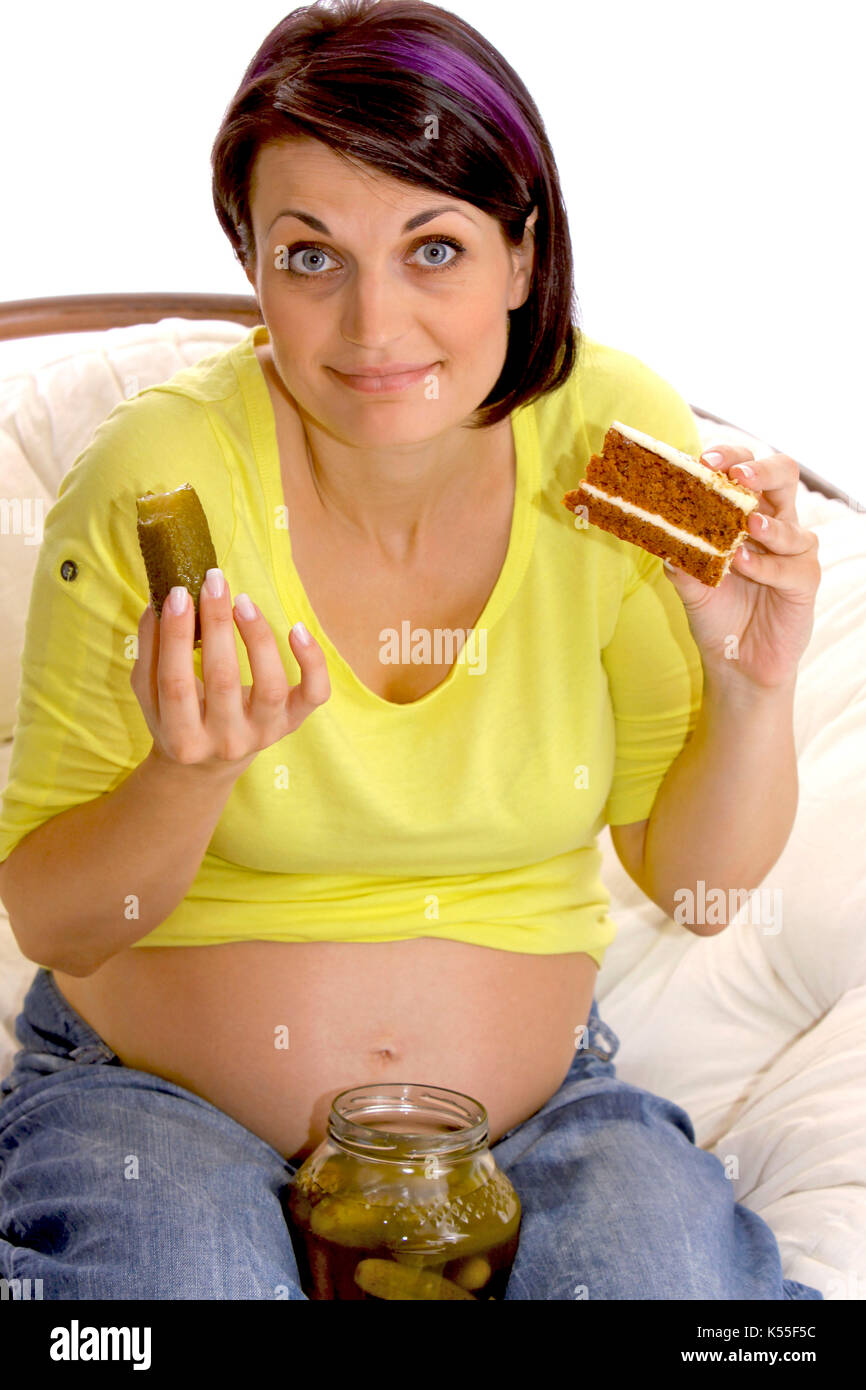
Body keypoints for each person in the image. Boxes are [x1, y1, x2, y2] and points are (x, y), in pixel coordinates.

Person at [0, 0, 822, 1300]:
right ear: (254, 266)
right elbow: (54, 916)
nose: (375, 327)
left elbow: (703, 891)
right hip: (152, 1102)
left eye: (432, 248)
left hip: (532, 1114)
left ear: (520, 252)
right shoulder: (158, 476)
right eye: (311, 257)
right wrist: (186, 772)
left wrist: (749, 680)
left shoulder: (615, 441)